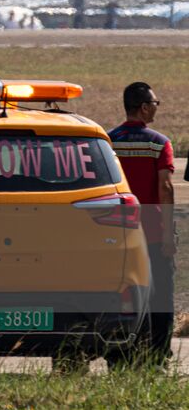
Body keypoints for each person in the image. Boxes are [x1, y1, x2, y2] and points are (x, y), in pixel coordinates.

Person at [108, 82, 175, 365]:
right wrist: (169, 234)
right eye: (156, 103)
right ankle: (157, 355)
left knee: (119, 294)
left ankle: (119, 355)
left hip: (116, 233)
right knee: (159, 296)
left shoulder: (108, 141)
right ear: (145, 107)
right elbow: (166, 189)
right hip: (152, 233)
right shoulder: (159, 143)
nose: (157, 108)